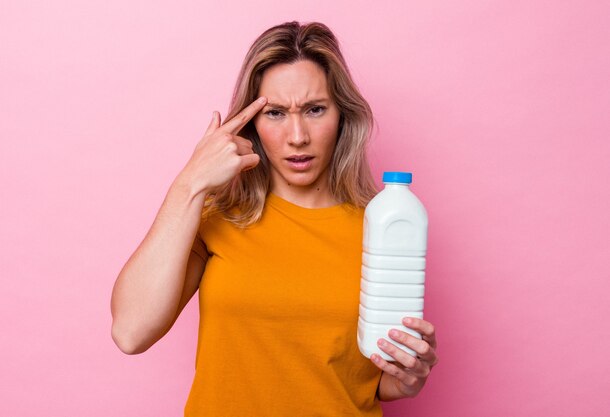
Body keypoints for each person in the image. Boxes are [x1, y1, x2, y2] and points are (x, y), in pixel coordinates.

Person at [110, 21, 438, 416]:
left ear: (342, 116)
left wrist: (406, 379)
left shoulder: (382, 225)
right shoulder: (217, 219)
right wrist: (190, 184)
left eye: (315, 110)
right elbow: (131, 332)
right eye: (277, 113)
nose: (297, 136)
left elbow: (365, 378)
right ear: (252, 125)